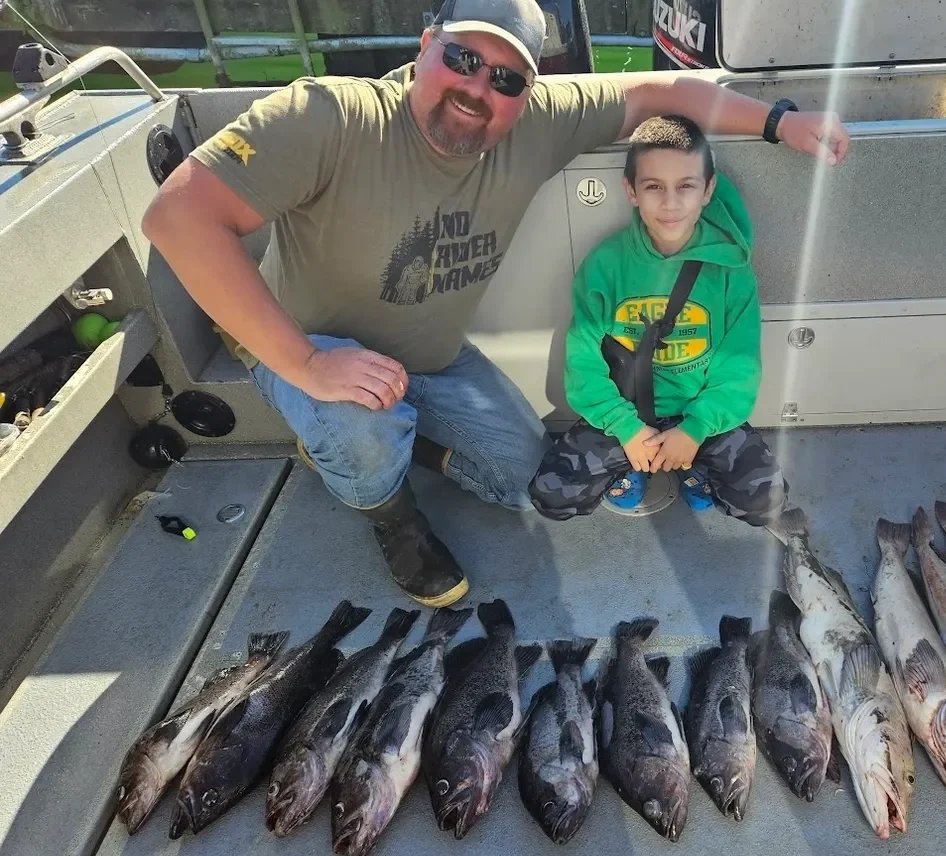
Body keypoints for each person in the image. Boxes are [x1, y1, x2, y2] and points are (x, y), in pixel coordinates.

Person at [141, 0, 849, 609]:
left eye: (507, 77)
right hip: (307, 349)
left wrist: (779, 122)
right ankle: (389, 511)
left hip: (432, 360)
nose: (479, 86)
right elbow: (177, 218)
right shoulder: (328, 115)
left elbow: (665, 89)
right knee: (356, 422)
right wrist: (306, 365)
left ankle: (384, 438)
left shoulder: (537, 122)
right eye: (462, 58)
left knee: (526, 484)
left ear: (529, 92)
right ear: (427, 45)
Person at [528, 114, 786, 525]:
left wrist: (696, 429)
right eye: (654, 187)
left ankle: (692, 465)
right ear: (630, 190)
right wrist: (626, 429)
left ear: (708, 190)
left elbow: (739, 366)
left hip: (699, 414)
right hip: (626, 413)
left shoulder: (731, 271)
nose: (670, 203)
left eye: (686, 186)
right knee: (553, 498)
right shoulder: (605, 266)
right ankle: (633, 463)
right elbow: (584, 361)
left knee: (765, 502)